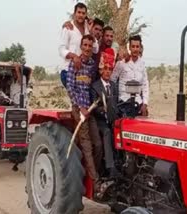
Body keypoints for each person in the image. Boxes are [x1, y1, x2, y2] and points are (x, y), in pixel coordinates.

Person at [66, 34, 98, 180]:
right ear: (81, 46)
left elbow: (91, 87)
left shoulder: (92, 65)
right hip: (79, 108)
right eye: (84, 45)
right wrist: (80, 107)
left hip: (90, 107)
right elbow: (70, 87)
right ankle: (94, 179)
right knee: (86, 143)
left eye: (89, 46)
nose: (87, 48)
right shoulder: (74, 63)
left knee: (97, 143)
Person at [91, 48, 120, 177]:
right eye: (105, 69)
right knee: (107, 132)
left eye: (110, 69)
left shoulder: (114, 86)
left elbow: (117, 103)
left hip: (112, 119)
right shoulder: (95, 86)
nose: (108, 72)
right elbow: (94, 108)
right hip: (100, 121)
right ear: (100, 70)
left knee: (119, 131)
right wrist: (103, 110)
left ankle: (122, 163)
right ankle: (110, 167)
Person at [59, 2, 99, 87]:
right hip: (68, 71)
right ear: (74, 14)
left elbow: (96, 49)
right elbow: (61, 49)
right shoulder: (68, 27)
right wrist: (74, 56)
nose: (81, 15)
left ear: (86, 15)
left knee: (83, 96)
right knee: (76, 96)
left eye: (83, 13)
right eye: (79, 12)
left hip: (83, 72)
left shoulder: (88, 27)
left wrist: (91, 31)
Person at [111, 35, 149, 117]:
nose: (135, 49)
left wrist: (145, 104)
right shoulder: (122, 63)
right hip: (123, 103)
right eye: (133, 46)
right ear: (130, 47)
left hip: (138, 103)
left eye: (137, 47)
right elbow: (112, 80)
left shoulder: (142, 64)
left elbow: (145, 84)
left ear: (140, 48)